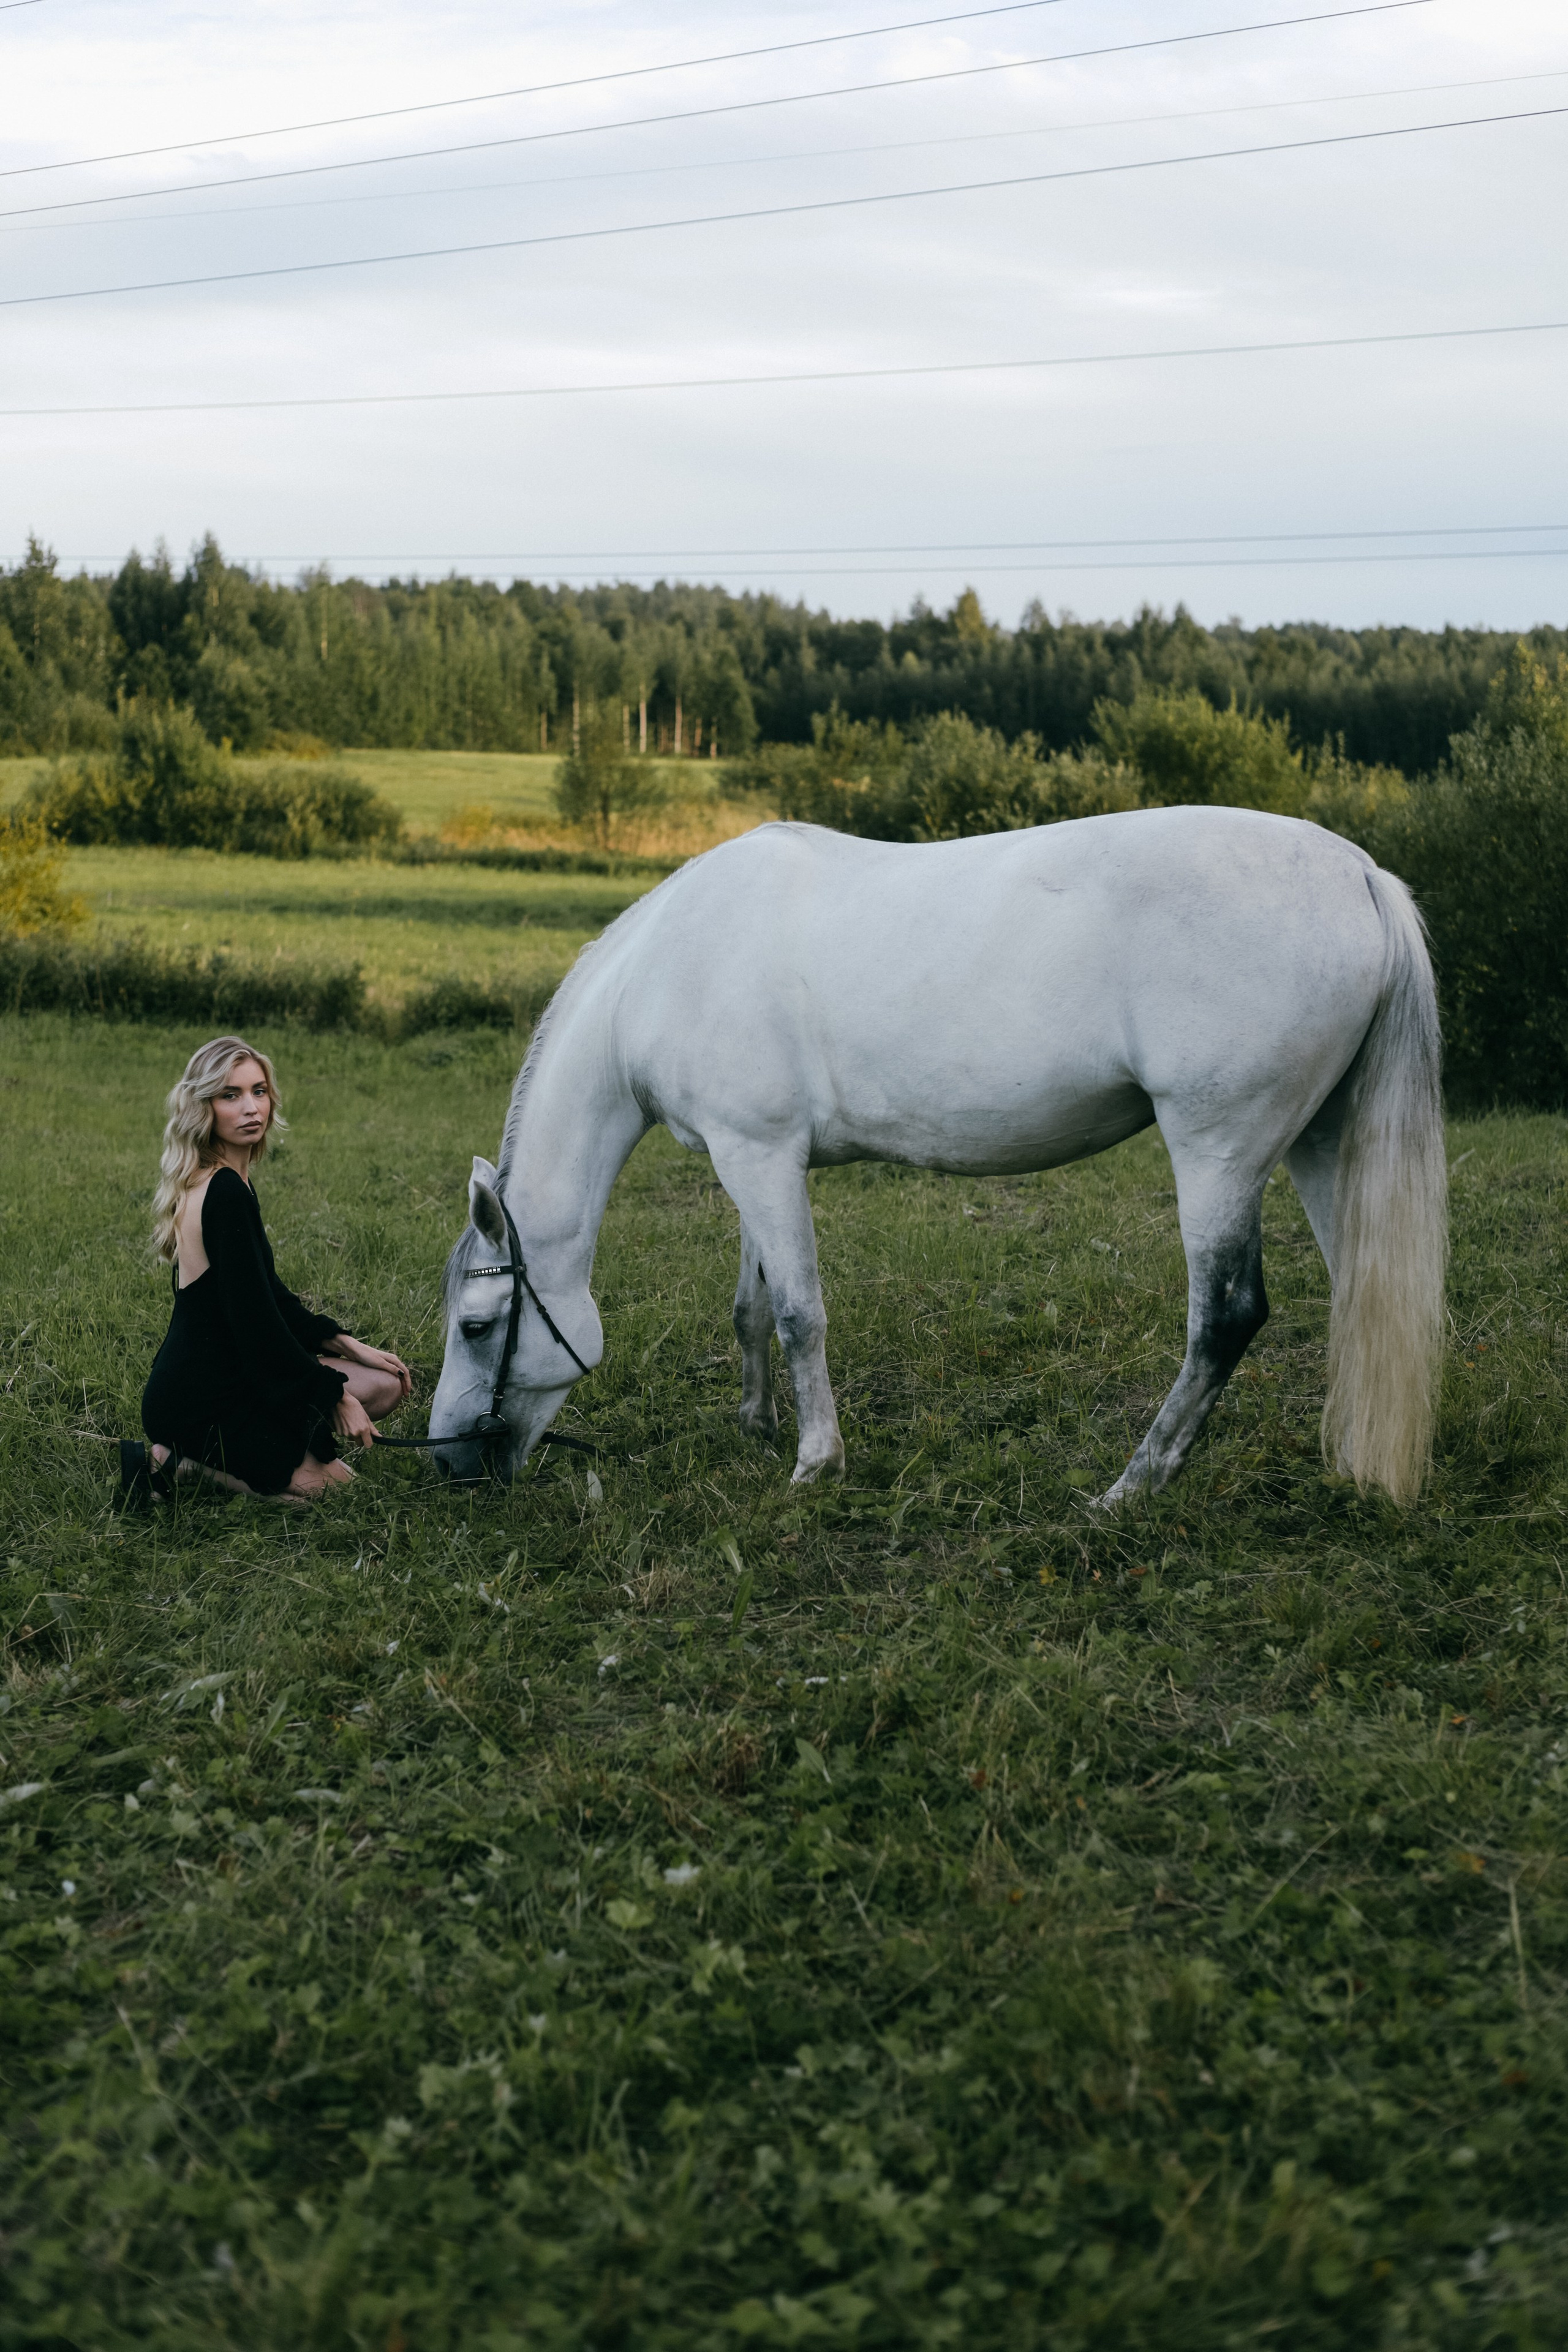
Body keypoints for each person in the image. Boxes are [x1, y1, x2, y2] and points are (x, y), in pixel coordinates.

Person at [136, 1035, 412, 1504]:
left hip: (242, 1373)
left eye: (259, 1091)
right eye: (231, 1095)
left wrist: (345, 1343)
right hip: (203, 1401)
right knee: (340, 1492)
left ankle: (268, 1454)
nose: (251, 1108)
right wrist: (333, 1396)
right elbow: (258, 1327)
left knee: (385, 1386)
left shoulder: (230, 1181)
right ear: (204, 1107)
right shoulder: (222, 1192)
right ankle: (186, 1463)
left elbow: (269, 1297)